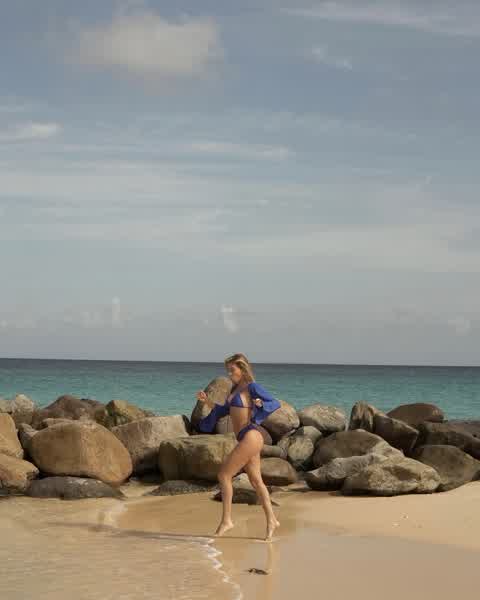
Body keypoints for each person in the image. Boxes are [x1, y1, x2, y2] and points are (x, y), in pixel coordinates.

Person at [196, 353, 281, 541]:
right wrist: (206, 401)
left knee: (224, 475)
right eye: (228, 370)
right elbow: (223, 410)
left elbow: (274, 403)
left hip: (251, 436)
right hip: (246, 437)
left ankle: (226, 521)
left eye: (232, 370)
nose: (229, 374)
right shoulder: (235, 390)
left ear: (242, 369)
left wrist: (260, 405)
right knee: (256, 481)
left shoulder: (252, 387)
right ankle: (272, 520)